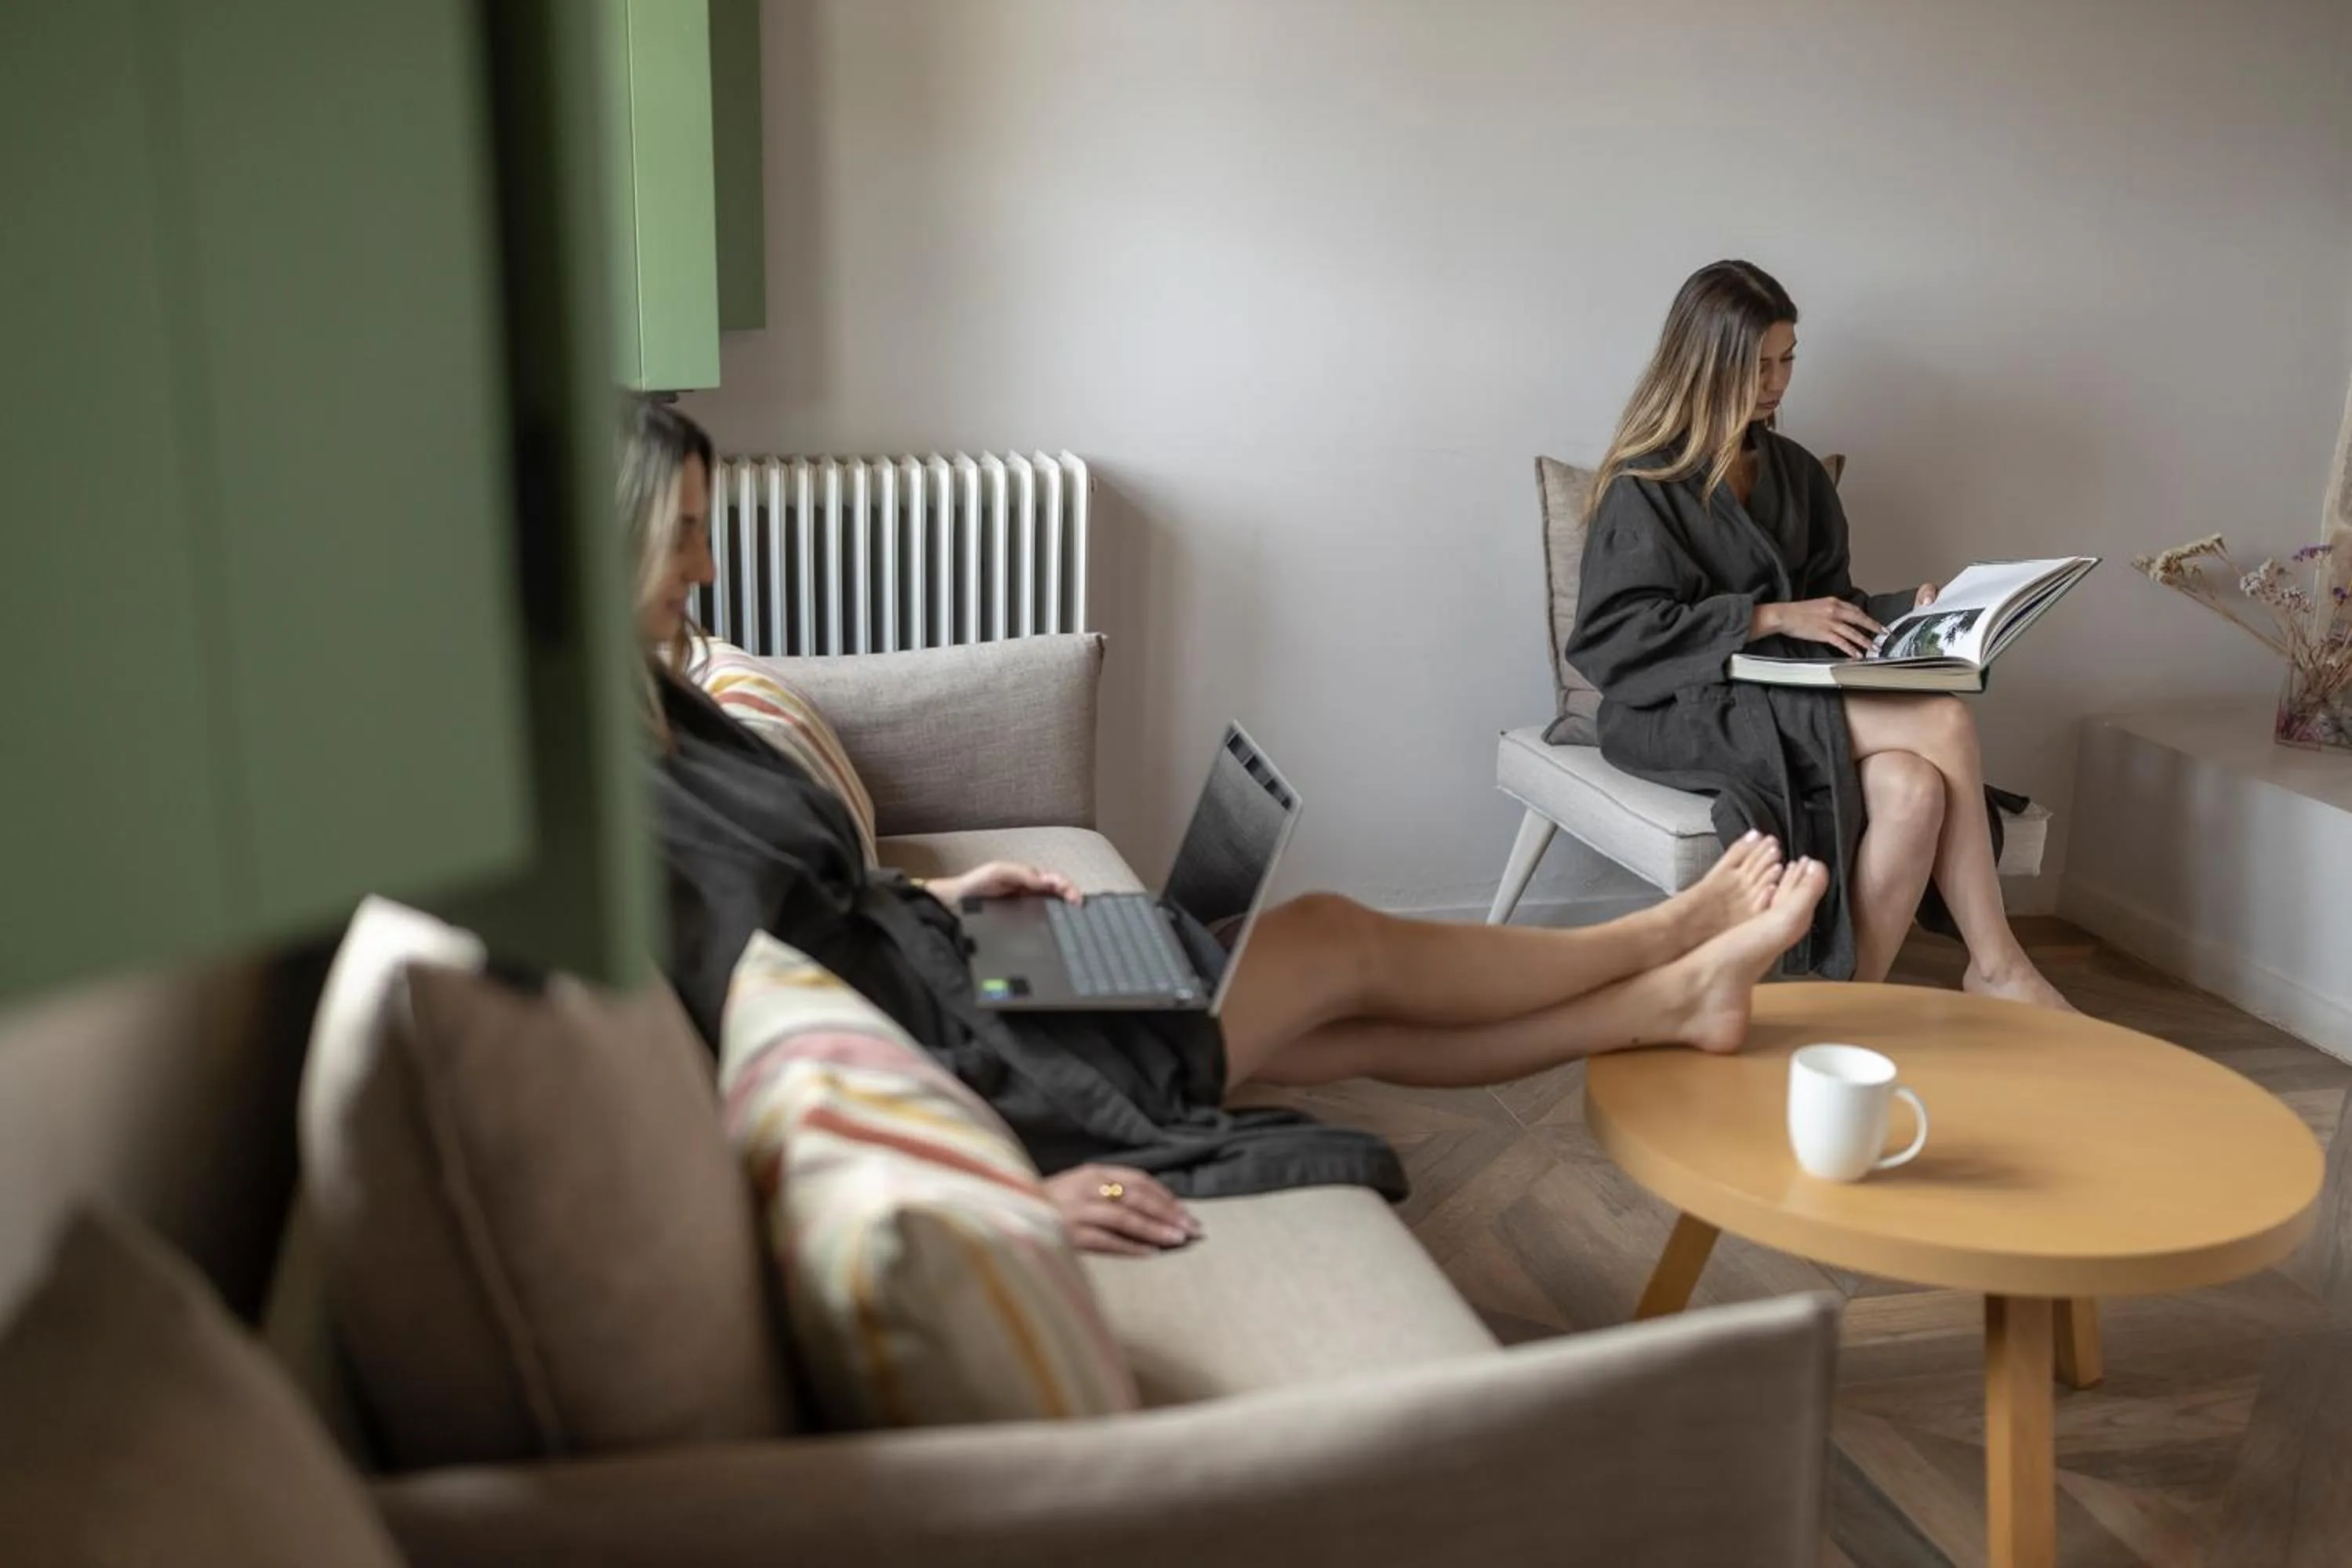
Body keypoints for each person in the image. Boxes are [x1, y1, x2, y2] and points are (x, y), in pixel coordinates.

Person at [626, 400, 1830, 1254]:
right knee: (1332, 946)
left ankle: (1670, 999)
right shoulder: (614, 814)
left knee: (1320, 1019)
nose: (711, 563)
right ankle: (1672, 940)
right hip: (965, 1046)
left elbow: (808, 918)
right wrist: (1003, 1194)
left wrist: (944, 897)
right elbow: (756, 1061)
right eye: (682, 531)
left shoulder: (655, 698)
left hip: (962, 968)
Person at [1565, 260, 2069, 1009]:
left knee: (1913, 785)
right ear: (1705, 364)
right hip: (1677, 706)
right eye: (1758, 363)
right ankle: (1996, 963)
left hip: (1789, 685)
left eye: (1788, 358)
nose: (1777, 380)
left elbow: (1831, 604)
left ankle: (1842, 1009)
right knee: (1942, 719)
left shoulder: (1798, 475)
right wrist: (1764, 617)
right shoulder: (1646, 483)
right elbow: (1612, 639)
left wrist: (1910, 608)